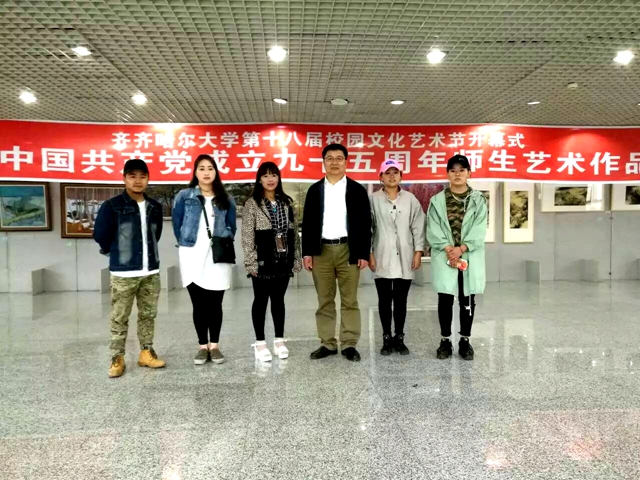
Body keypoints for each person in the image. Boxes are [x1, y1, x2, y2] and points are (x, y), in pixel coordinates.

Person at [93, 159, 166, 378]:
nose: (137, 181)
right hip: (123, 273)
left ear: (148, 179)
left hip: (150, 271)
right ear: (124, 178)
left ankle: (146, 352)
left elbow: (155, 235)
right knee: (119, 317)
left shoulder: (154, 207)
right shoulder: (112, 206)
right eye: (132, 176)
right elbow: (100, 234)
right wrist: (117, 252)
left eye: (142, 176)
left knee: (148, 315)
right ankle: (117, 357)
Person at [302, 144, 372, 362]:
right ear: (323, 162)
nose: (334, 162)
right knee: (325, 300)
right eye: (330, 158)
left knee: (350, 300)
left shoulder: (357, 190)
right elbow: (308, 223)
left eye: (339, 158)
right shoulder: (315, 190)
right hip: (321, 251)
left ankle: (349, 343)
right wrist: (307, 252)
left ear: (346, 162)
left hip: (348, 250)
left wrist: (363, 253)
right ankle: (327, 343)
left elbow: (365, 224)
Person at [172, 154, 236, 365]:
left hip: (217, 255)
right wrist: (185, 243)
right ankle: (202, 346)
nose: (206, 172)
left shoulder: (226, 198)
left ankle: (214, 346)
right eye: (201, 168)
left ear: (216, 171)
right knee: (198, 304)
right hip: (191, 254)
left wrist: (223, 238)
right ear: (195, 172)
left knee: (215, 304)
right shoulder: (184, 196)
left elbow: (232, 226)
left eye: (210, 168)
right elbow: (177, 224)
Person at [426, 154, 487, 361]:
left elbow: (479, 228)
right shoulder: (437, 201)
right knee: (445, 297)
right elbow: (433, 228)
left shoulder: (478, 200)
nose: (457, 174)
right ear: (447, 174)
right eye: (453, 170)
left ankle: (465, 340)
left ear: (469, 173)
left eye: (462, 170)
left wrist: (462, 248)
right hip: (445, 256)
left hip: (469, 256)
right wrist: (448, 249)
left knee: (467, 298)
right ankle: (445, 340)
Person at [241, 162, 302, 362]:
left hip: (283, 259)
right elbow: (247, 236)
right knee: (260, 300)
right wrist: (250, 262)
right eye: (266, 175)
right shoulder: (252, 204)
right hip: (262, 260)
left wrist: (296, 257)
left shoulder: (286, 202)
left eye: (274, 175)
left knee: (278, 300)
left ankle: (279, 340)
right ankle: (260, 343)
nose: (270, 179)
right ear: (259, 179)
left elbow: (294, 233)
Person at [369, 159, 425, 356]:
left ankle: (399, 337)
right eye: (387, 172)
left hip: (406, 256)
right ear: (380, 177)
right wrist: (369, 253)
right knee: (384, 299)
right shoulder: (373, 199)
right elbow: (368, 228)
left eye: (395, 172)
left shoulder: (410, 199)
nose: (392, 176)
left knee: (401, 300)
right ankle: (386, 337)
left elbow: (418, 226)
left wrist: (418, 251)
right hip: (381, 254)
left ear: (401, 176)